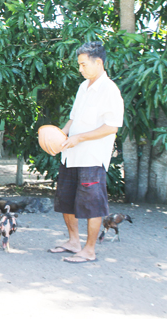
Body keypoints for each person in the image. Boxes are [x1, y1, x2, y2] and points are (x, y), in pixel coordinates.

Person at [48, 41, 124, 263]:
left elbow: (112, 126)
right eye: (79, 65)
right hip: (71, 156)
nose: (80, 69)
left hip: (92, 158)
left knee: (92, 206)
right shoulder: (83, 87)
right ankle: (74, 242)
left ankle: (89, 250)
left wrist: (79, 138)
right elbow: (73, 118)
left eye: (83, 64)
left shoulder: (110, 90)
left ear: (98, 62)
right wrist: (60, 135)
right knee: (66, 201)